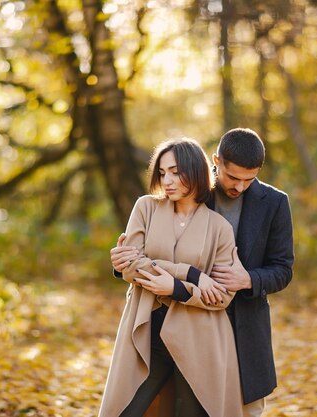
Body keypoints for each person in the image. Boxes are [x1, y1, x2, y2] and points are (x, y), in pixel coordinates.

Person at [111, 128, 295, 417]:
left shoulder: (274, 202)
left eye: (250, 179)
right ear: (215, 161)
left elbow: (283, 268)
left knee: (233, 410)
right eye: (233, 177)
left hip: (240, 324)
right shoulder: (191, 187)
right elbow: (149, 252)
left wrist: (248, 279)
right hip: (173, 318)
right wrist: (132, 264)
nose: (240, 187)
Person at [99, 138, 244, 417]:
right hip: (146, 334)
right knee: (123, 411)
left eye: (176, 172)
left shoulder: (220, 228)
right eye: (163, 172)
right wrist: (190, 274)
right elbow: (129, 265)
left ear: (197, 171)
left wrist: (178, 289)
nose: (168, 180)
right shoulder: (146, 208)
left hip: (199, 341)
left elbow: (222, 296)